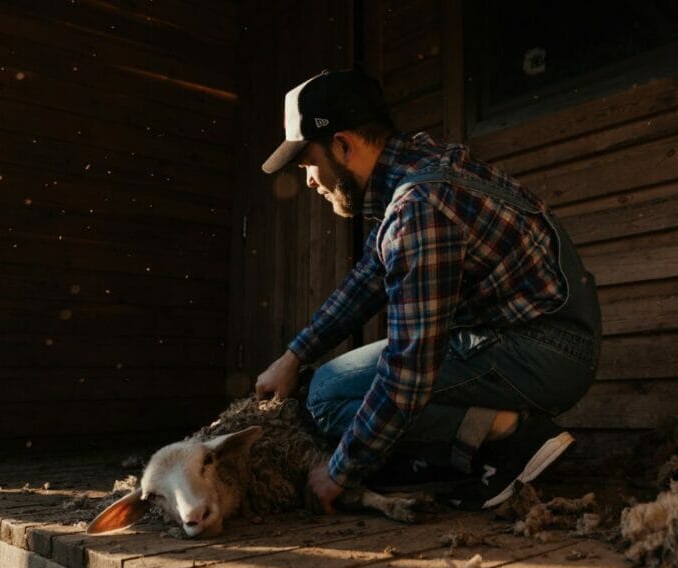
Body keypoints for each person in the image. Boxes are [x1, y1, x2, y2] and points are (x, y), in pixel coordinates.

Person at [255, 69, 601, 514]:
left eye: (308, 164)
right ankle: (480, 445)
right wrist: (294, 355)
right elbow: (368, 279)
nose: (308, 181)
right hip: (543, 339)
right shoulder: (416, 166)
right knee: (326, 382)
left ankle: (508, 437)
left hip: (545, 352)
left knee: (326, 396)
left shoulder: (417, 207)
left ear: (343, 145)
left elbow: (409, 371)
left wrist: (340, 471)